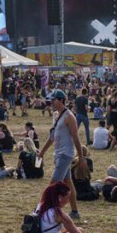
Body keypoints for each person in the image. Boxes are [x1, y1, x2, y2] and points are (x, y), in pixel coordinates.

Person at [11, 182, 101, 233]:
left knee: (64, 231)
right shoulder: (59, 213)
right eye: (67, 198)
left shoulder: (40, 206)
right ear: (60, 198)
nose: (68, 201)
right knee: (80, 230)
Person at [39, 90, 83, 220]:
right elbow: (52, 137)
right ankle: (75, 212)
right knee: (68, 183)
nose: (51, 102)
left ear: (61, 100)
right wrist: (42, 151)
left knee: (53, 184)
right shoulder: (56, 115)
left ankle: (44, 210)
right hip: (58, 154)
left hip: (65, 154)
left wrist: (81, 157)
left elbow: (76, 138)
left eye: (54, 100)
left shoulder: (69, 116)